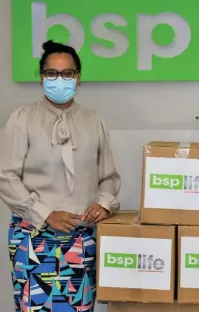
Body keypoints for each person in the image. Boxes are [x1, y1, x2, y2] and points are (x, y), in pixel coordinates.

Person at [0, 40, 121, 312]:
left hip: (82, 239)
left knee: (78, 308)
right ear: (42, 77)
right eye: (51, 73)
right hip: (34, 237)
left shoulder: (94, 120)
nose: (59, 79)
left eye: (67, 73)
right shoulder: (22, 118)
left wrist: (103, 203)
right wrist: (46, 214)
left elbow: (109, 176)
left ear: (78, 78)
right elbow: (6, 177)